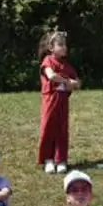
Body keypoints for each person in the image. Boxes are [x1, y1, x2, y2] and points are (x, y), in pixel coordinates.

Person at [37, 30, 80, 174]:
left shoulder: (67, 66)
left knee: (61, 130)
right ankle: (48, 159)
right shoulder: (48, 61)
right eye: (60, 44)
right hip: (50, 100)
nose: (64, 47)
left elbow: (77, 82)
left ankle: (61, 160)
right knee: (48, 128)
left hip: (62, 102)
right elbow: (51, 76)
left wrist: (74, 84)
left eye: (65, 45)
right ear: (51, 47)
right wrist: (67, 81)